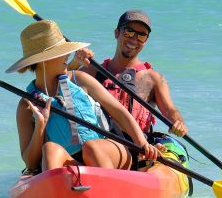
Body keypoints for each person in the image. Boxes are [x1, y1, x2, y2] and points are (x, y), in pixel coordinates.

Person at [10, 20, 160, 176]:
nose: (68, 55)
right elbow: (30, 162)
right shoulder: (26, 105)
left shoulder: (79, 80)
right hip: (73, 162)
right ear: (44, 60)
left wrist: (143, 143)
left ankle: (110, 193)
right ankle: (63, 196)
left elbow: (119, 112)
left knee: (91, 148)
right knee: (50, 149)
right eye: (62, 52)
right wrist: (40, 125)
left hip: (109, 152)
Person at [73, 9, 189, 141]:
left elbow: (169, 110)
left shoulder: (154, 78)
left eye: (141, 35)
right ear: (117, 33)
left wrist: (179, 122)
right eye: (129, 32)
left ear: (146, 41)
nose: (134, 39)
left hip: (137, 147)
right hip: (98, 142)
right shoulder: (93, 71)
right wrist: (75, 63)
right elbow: (57, 86)